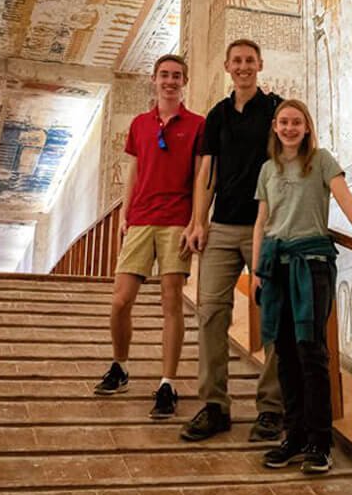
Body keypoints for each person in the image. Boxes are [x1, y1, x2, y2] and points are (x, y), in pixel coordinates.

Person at [252, 100, 352, 475]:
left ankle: (319, 441)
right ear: (275, 127)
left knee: (311, 352)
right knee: (284, 353)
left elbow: (343, 195)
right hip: (276, 266)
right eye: (284, 122)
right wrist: (258, 267)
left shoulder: (321, 160)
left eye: (297, 122)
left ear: (307, 127)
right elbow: (262, 221)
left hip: (311, 264)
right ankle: (293, 436)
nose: (290, 128)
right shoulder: (267, 169)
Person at [180, 39, 285, 442]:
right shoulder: (218, 114)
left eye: (249, 60)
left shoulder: (275, 109)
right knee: (210, 314)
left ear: (260, 65)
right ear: (227, 66)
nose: (243, 66)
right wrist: (198, 221)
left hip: (266, 226)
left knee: (272, 314)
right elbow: (207, 171)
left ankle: (272, 408)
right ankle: (214, 405)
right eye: (237, 61)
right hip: (222, 227)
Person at [93, 54, 204, 422]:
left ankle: (167, 383)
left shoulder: (197, 124)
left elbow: (201, 178)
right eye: (164, 75)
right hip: (140, 219)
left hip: (176, 220)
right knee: (120, 300)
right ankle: (120, 366)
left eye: (176, 76)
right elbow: (135, 168)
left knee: (171, 301)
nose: (170, 81)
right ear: (154, 80)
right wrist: (125, 212)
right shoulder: (140, 124)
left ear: (184, 81)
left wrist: (196, 221)